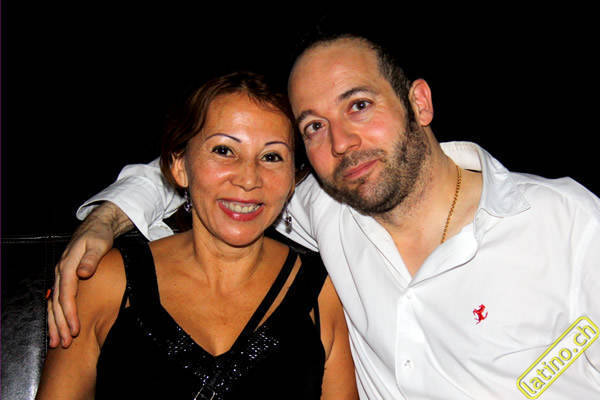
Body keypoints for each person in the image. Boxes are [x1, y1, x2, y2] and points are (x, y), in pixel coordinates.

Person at [47, 34, 600, 399]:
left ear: (420, 103)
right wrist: (105, 219)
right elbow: (208, 169)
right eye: (313, 126)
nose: (341, 142)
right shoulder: (323, 205)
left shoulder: (565, 222)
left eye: (359, 105)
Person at [37, 71, 358, 399]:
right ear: (179, 166)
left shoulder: (323, 295)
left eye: (271, 156)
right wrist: (103, 220)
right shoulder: (105, 281)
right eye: (224, 150)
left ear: (292, 180)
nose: (249, 178)